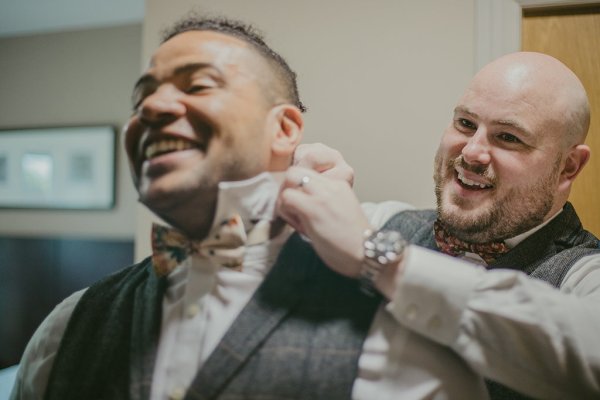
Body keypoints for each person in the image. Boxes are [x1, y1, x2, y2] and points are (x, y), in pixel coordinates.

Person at [10, 15, 489, 400]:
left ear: (283, 130)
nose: (151, 109)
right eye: (142, 98)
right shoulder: (66, 327)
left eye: (197, 85)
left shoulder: (402, 332)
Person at [278, 51, 600, 399]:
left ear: (568, 167)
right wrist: (289, 178)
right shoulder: (386, 220)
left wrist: (385, 262)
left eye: (508, 137)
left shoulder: (585, 275)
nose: (472, 152)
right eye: (465, 124)